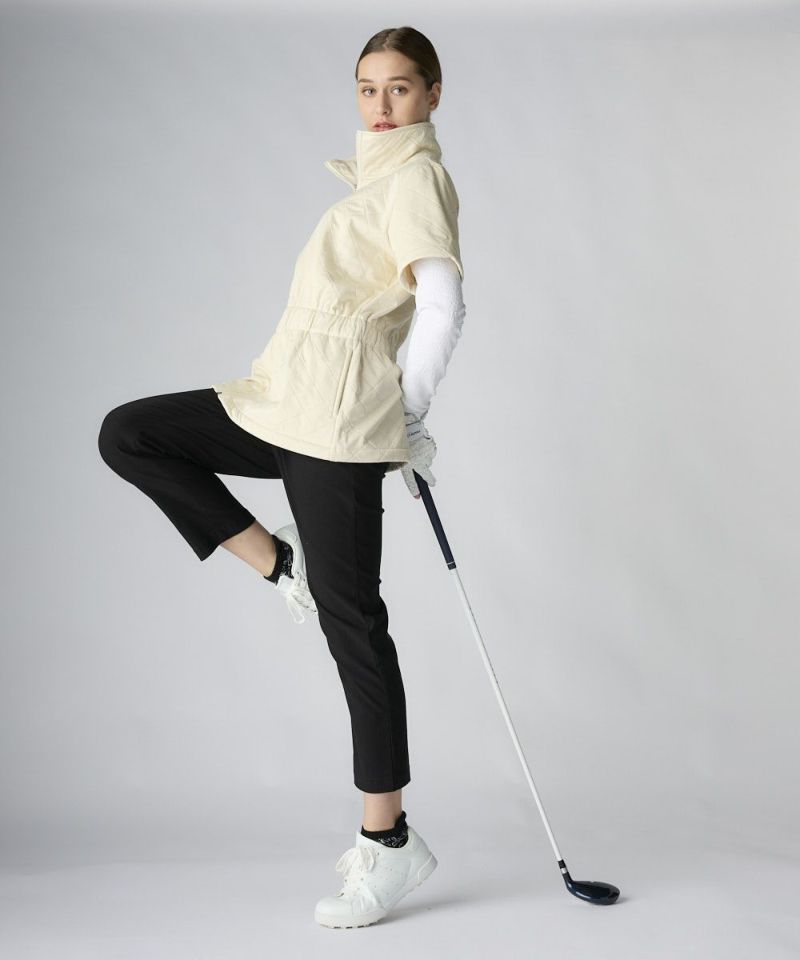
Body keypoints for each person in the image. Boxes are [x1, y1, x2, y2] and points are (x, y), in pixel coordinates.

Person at [97, 25, 465, 929]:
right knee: (132, 435)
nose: (383, 105)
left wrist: (409, 414)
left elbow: (443, 304)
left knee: (355, 629)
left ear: (433, 94)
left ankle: (388, 841)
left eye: (401, 88)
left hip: (337, 429)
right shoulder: (374, 182)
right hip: (281, 402)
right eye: (368, 88)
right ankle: (281, 562)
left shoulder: (416, 180)